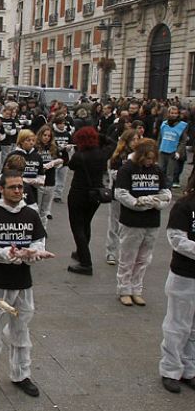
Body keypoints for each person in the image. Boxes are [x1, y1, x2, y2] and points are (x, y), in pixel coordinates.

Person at [0, 170, 49, 398]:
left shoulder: (31, 214)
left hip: (24, 284)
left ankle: (21, 374)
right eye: (12, 187)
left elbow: (39, 241)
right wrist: (7, 253)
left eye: (20, 187)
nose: (17, 191)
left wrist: (32, 252)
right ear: (1, 189)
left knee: (21, 331)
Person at [113, 138, 171, 306]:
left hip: (152, 220)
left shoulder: (157, 170)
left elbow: (165, 191)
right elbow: (121, 193)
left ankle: (136, 289)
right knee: (128, 257)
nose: (149, 161)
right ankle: (124, 289)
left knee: (144, 258)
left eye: (152, 158)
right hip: (132, 220)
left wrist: (158, 202)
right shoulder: (127, 169)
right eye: (146, 158)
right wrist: (137, 203)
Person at [67, 127, 114, 276]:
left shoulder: (79, 156)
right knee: (86, 224)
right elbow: (113, 143)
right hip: (95, 194)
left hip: (78, 193)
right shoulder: (102, 154)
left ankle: (86, 263)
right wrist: (100, 136)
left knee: (77, 227)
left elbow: (71, 166)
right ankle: (82, 252)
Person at [106, 129, 139, 265]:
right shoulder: (119, 156)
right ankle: (111, 252)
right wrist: (127, 173)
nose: (136, 142)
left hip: (134, 195)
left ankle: (128, 253)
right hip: (118, 194)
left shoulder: (139, 156)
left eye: (138, 139)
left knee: (130, 226)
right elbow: (113, 174)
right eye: (133, 139)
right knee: (114, 224)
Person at [158, 106, 188, 188]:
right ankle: (160, 187)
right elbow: (160, 138)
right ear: (168, 113)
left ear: (178, 114)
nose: (173, 115)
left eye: (175, 113)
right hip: (162, 150)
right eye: (172, 113)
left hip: (173, 152)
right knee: (160, 170)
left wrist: (178, 152)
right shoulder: (164, 124)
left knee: (169, 174)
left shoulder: (182, 125)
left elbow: (183, 141)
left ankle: (168, 190)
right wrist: (157, 149)